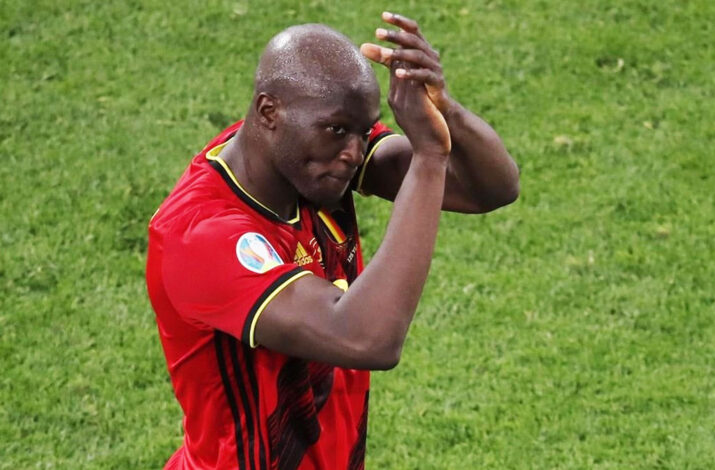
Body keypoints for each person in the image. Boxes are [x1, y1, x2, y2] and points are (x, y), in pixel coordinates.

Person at [146, 11, 518, 470]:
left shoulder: (308, 159)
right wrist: (428, 158)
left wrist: (446, 109)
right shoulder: (200, 236)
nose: (354, 153)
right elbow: (368, 339)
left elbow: (491, 188)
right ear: (269, 113)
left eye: (363, 132)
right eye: (338, 130)